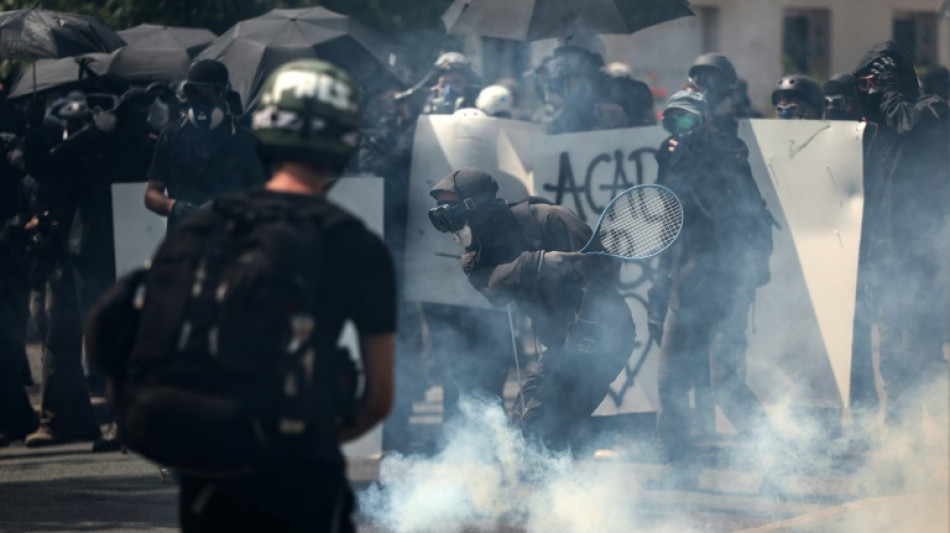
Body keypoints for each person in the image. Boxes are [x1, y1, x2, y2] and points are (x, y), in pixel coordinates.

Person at [92, 59, 395, 532]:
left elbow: (121, 359)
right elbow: (376, 400)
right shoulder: (354, 247)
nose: (199, 104)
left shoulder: (194, 237)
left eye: (207, 94)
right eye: (193, 94)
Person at [427, 168, 635, 451]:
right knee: (523, 430)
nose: (446, 218)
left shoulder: (552, 219)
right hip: (561, 345)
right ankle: (565, 470)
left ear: (476, 204)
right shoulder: (476, 256)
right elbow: (492, 286)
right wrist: (537, 263)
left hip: (604, 339)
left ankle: (578, 465)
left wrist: (587, 331)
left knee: (545, 427)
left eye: (449, 207)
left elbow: (604, 277)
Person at [648, 91, 775, 486]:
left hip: (725, 290)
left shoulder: (729, 155)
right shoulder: (670, 160)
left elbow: (741, 217)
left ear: (704, 121)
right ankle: (681, 470)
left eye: (687, 120)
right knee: (670, 384)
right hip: (682, 291)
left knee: (727, 386)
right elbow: (666, 230)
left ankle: (781, 465)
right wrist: (657, 293)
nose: (679, 130)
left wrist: (698, 164)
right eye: (673, 121)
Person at [851, 41, 949, 437]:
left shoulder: (933, 110)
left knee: (922, 357)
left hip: (925, 263)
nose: (871, 91)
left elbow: (909, 125)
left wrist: (889, 90)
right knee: (891, 360)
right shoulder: (874, 134)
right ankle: (901, 450)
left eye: (877, 81)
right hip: (885, 264)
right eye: (866, 84)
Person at [145, 59, 265, 231]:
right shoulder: (170, 136)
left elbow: (263, 198)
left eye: (210, 92)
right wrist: (176, 207)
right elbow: (151, 195)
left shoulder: (246, 141)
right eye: (195, 92)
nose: (202, 100)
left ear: (223, 95)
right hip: (184, 237)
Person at [687, 53, 740, 135]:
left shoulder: (741, 124)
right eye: (700, 78)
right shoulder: (687, 122)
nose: (706, 88)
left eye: (715, 79)